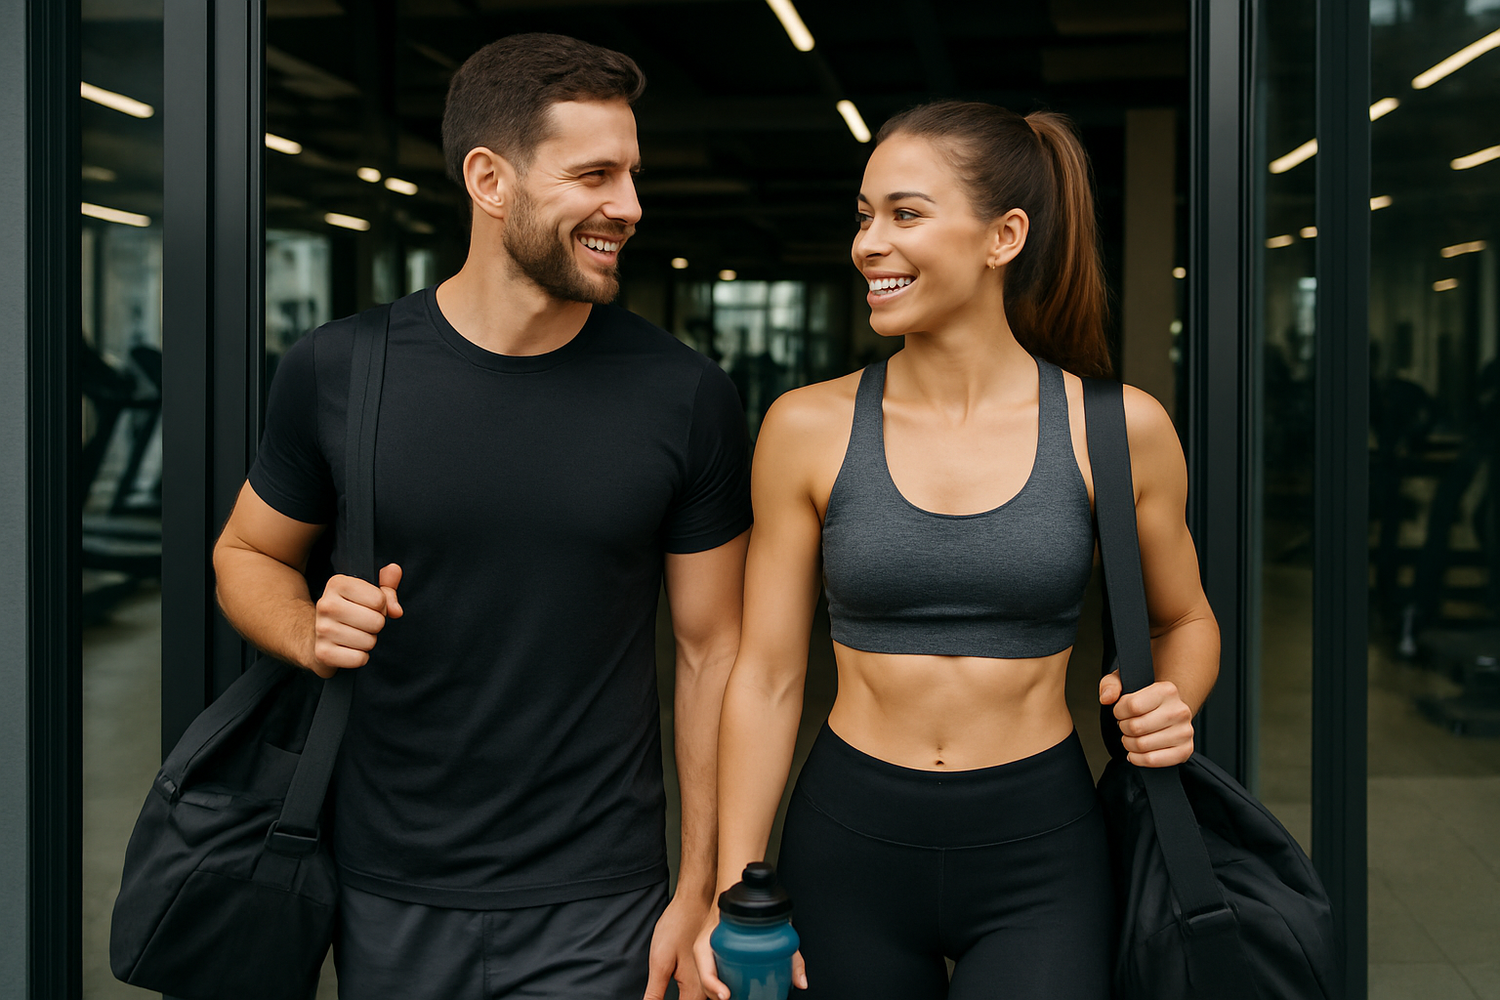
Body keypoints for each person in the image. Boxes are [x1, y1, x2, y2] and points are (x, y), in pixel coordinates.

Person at [213, 33, 752, 1000]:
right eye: (594, 174)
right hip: (388, 887)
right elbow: (246, 552)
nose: (627, 206)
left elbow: (716, 653)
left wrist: (699, 885)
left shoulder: (685, 395)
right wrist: (306, 627)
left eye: (632, 175)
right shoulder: (338, 370)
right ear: (489, 179)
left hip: (602, 896)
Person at [693, 101, 1220, 1000]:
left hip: (1039, 850)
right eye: (863, 215)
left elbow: (1186, 620)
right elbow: (768, 675)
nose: (868, 243)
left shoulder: (1119, 428)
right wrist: (731, 890)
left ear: (1003, 236)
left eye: (905, 213)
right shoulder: (806, 427)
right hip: (848, 840)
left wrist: (1176, 700)